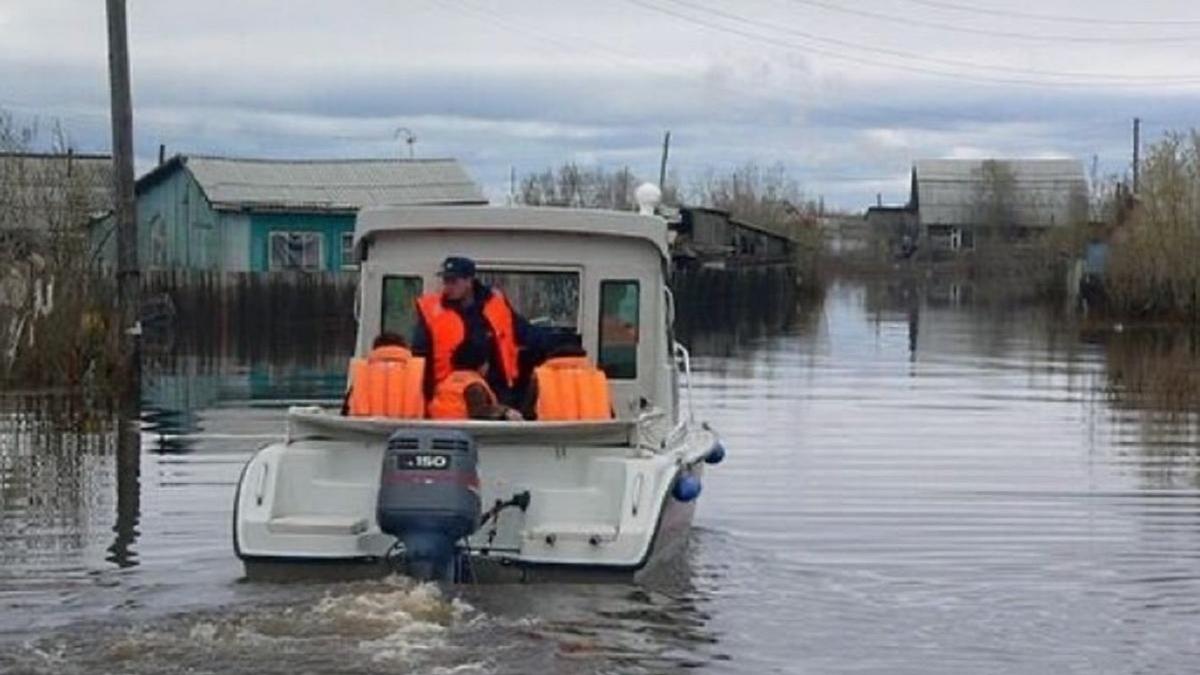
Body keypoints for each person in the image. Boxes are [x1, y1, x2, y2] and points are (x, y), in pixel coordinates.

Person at [412, 256, 540, 405]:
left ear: (469, 281)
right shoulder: (432, 312)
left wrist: (564, 343)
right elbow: (420, 358)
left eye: (453, 281)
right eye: (445, 281)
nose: (448, 287)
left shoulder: (496, 305)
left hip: (497, 393)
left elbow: (526, 334)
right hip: (450, 396)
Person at [428, 341, 524, 421]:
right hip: (465, 435)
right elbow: (479, 412)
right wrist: (505, 411)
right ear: (481, 365)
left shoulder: (446, 382)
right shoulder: (473, 386)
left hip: (439, 431)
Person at [342, 332, 425, 417]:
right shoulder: (420, 373)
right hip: (410, 428)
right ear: (405, 348)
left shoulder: (360, 376)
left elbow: (345, 414)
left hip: (366, 429)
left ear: (374, 349)